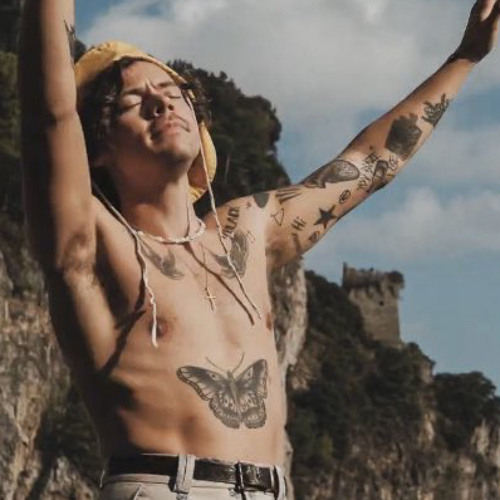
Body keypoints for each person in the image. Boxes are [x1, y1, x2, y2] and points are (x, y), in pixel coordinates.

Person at [18, 0, 499, 498]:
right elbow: (49, 114)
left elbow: (371, 162)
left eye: (171, 92)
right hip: (165, 485)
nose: (160, 104)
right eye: (131, 101)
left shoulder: (246, 232)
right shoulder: (92, 240)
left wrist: (465, 58)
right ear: (96, 145)